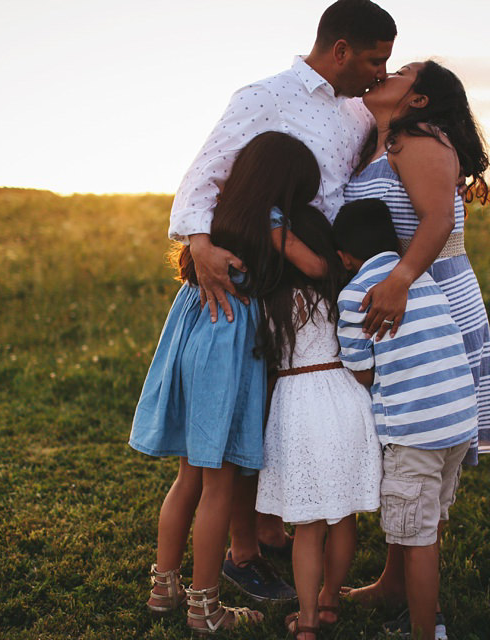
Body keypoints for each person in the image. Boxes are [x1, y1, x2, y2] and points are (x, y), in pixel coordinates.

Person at [169, 0, 397, 601]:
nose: (379, 72)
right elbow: (205, 175)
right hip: (265, 276)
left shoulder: (357, 112)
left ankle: (276, 530)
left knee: (285, 414)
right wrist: (200, 242)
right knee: (254, 409)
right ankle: (243, 551)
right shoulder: (261, 96)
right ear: (340, 48)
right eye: (374, 60)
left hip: (324, 276)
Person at [129, 132, 330, 634]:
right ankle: (205, 608)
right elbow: (316, 266)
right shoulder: (270, 222)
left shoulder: (213, 218)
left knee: (188, 477)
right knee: (218, 482)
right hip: (226, 344)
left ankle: (164, 587)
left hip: (191, 335)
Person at [342, 60, 490, 637]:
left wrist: (399, 281)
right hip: (411, 297)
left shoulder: (419, 138)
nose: (384, 74)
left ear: (418, 100)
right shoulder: (385, 137)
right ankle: (397, 579)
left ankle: (415, 601)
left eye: (403, 71)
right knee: (409, 445)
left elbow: (439, 217)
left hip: (429, 294)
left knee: (423, 438)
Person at [333, 197, 479, 640]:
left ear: (343, 256)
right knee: (428, 523)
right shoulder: (423, 280)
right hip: (457, 423)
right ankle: (415, 606)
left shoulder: (355, 294)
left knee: (417, 539)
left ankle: (424, 631)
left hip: (414, 431)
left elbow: (359, 371)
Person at [254, 203, 382, 639]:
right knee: (344, 515)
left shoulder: (268, 296)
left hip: (298, 402)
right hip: (345, 396)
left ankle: (307, 622)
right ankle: (330, 601)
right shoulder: (340, 288)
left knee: (307, 525)